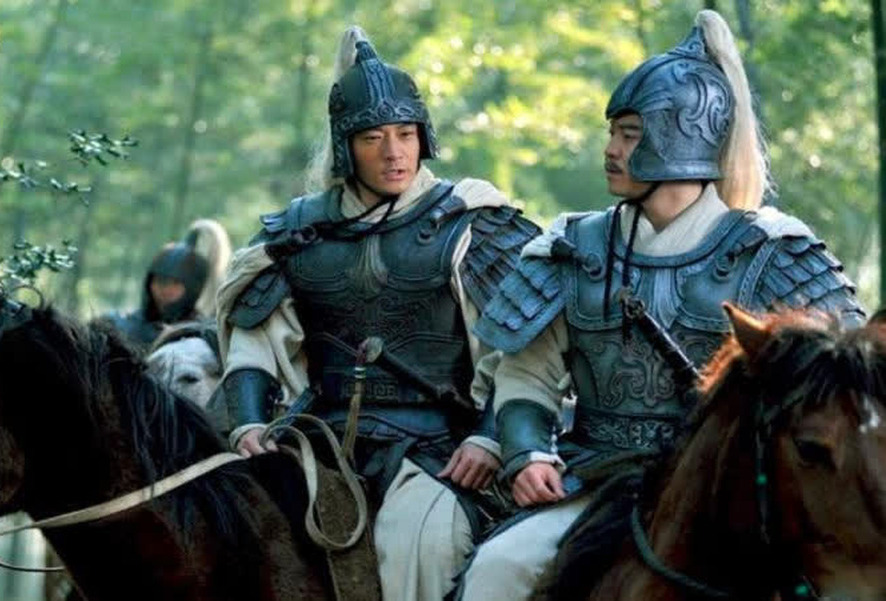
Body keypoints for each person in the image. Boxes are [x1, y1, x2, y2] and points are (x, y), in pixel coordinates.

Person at [456, 10, 865, 600]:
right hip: (596, 483)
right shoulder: (574, 246)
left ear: (678, 138)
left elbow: (839, 388)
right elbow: (527, 376)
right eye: (613, 133)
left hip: (730, 493)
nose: (610, 150)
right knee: (499, 569)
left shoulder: (772, 252)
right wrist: (527, 455)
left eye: (629, 134)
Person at [213, 26, 539, 601]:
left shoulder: (469, 222)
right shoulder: (299, 233)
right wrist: (248, 424)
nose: (394, 153)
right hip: (317, 442)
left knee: (425, 543)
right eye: (374, 138)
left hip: (440, 448)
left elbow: (520, 352)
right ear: (346, 147)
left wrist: (490, 440)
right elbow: (254, 344)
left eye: (406, 135)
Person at [106, 219, 230, 352]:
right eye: (159, 280)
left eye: (175, 283)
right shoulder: (122, 325)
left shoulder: (199, 336)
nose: (165, 289)